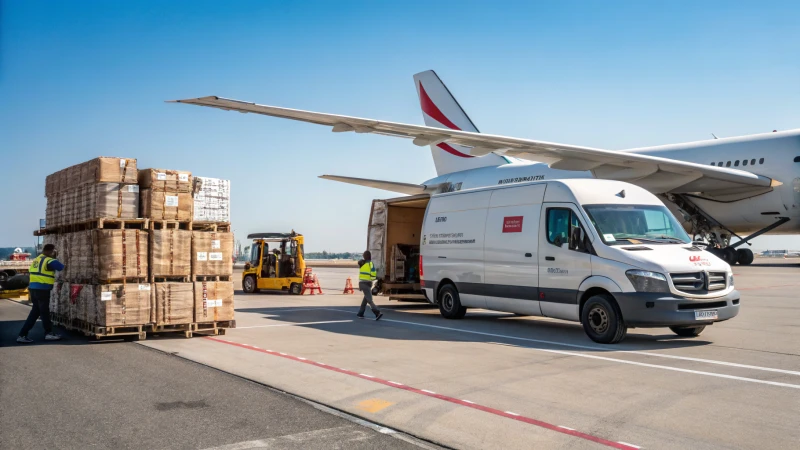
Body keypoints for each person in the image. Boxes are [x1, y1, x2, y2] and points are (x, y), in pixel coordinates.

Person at [17, 244, 64, 343]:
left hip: (33, 289)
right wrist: (56, 257)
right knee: (44, 312)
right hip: (42, 290)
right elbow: (61, 267)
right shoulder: (49, 260)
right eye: (54, 252)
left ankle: (23, 334)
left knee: (36, 312)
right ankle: (48, 334)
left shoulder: (37, 259)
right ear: (51, 251)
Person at [357, 251, 383, 320]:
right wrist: (376, 278)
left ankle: (360, 313)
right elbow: (373, 274)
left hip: (361, 283)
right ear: (370, 256)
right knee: (370, 300)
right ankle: (377, 313)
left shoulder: (362, 263)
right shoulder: (370, 264)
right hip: (366, 284)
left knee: (365, 299)